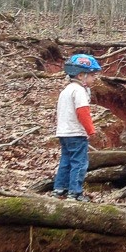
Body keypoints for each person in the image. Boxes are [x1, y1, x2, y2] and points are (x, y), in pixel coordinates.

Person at [51, 54, 101, 202]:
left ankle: (60, 189)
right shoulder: (79, 91)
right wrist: (91, 130)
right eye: (91, 75)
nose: (94, 78)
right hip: (76, 133)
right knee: (79, 163)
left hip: (64, 132)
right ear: (81, 75)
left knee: (66, 161)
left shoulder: (66, 90)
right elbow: (82, 112)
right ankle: (75, 192)